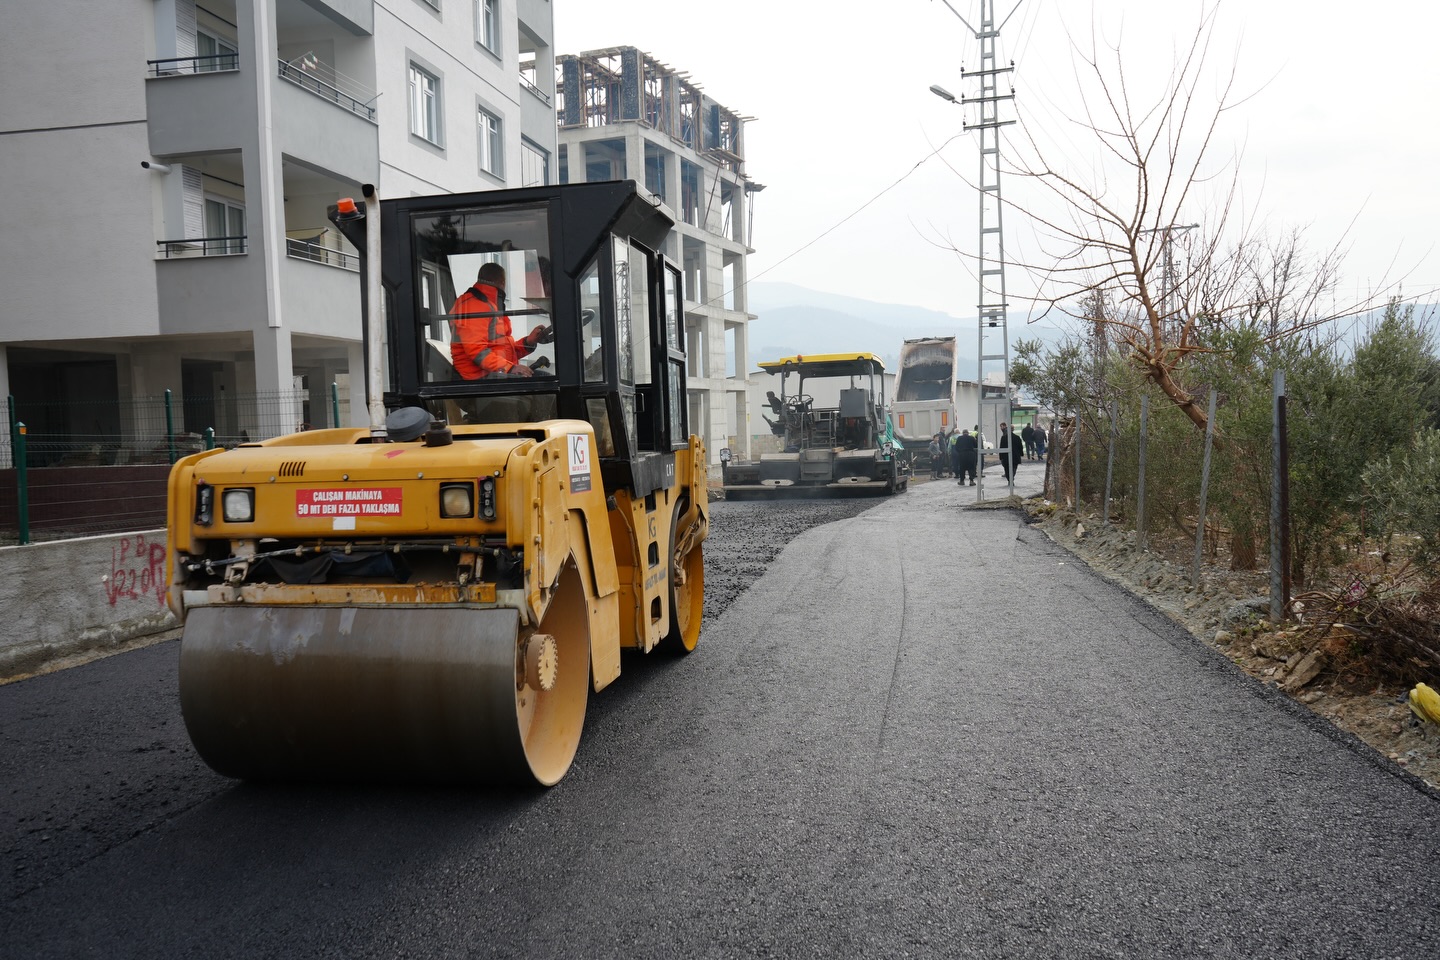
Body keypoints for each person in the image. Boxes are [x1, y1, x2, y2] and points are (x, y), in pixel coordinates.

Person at [449, 263, 552, 379]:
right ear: (503, 283)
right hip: (477, 378)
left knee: (544, 378)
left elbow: (502, 351)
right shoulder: (475, 305)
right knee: (545, 380)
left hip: (492, 372)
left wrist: (528, 342)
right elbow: (477, 352)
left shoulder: (489, 305)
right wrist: (511, 368)